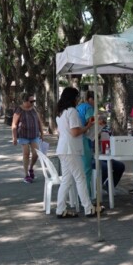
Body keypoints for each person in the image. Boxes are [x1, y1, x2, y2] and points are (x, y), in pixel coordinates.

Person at [54, 87, 98, 219]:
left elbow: (66, 130)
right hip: (71, 149)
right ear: (72, 98)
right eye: (77, 97)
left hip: (63, 149)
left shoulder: (61, 112)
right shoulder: (72, 111)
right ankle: (88, 208)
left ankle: (60, 209)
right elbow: (75, 132)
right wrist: (87, 127)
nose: (78, 99)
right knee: (80, 178)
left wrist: (84, 127)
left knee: (67, 180)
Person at [11, 92, 43, 183]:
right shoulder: (19, 110)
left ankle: (31, 168)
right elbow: (14, 124)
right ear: (25, 101)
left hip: (34, 135)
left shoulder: (34, 109)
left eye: (34, 101)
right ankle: (26, 175)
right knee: (26, 154)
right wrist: (14, 137)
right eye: (31, 101)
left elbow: (39, 121)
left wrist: (42, 133)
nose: (33, 103)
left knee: (36, 154)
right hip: (23, 135)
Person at [93, 114, 125, 191]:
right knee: (105, 167)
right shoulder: (92, 129)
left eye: (102, 121)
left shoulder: (106, 129)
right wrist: (96, 136)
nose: (101, 123)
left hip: (103, 155)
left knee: (120, 166)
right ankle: (96, 187)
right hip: (92, 157)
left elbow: (110, 141)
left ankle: (109, 187)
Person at [76, 91, 96, 191]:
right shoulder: (89, 108)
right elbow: (90, 122)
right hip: (84, 138)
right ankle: (86, 194)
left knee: (80, 169)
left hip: (76, 141)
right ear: (91, 99)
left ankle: (80, 194)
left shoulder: (79, 107)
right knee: (87, 169)